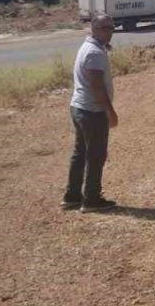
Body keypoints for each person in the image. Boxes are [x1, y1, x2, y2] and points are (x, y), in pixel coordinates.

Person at [63, 13, 119, 213]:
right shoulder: (94, 52)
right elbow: (96, 86)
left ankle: (72, 196)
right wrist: (110, 112)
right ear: (94, 29)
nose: (110, 32)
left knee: (80, 153)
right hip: (91, 111)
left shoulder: (91, 47)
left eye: (112, 28)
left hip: (79, 108)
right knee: (96, 156)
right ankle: (91, 200)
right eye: (105, 28)